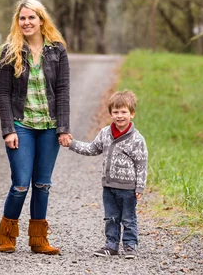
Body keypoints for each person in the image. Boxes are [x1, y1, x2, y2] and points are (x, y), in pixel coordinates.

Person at [0, 0, 72, 255]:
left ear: (41, 20)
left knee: (42, 184)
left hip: (49, 128)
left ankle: (38, 240)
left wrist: (63, 127)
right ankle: (6, 235)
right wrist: (8, 129)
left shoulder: (57, 50)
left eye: (31, 17)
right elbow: (3, 94)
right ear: (18, 22)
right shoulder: (10, 51)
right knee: (20, 184)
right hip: (21, 126)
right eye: (22, 18)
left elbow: (62, 91)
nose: (26, 22)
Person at [61, 90, 148, 259]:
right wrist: (72, 144)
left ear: (132, 114)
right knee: (111, 218)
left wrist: (140, 186)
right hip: (109, 187)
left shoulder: (137, 139)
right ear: (110, 114)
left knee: (128, 219)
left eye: (124, 112)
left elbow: (141, 164)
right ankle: (111, 245)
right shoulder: (105, 133)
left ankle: (130, 246)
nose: (119, 116)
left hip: (128, 188)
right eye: (115, 112)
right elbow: (92, 149)